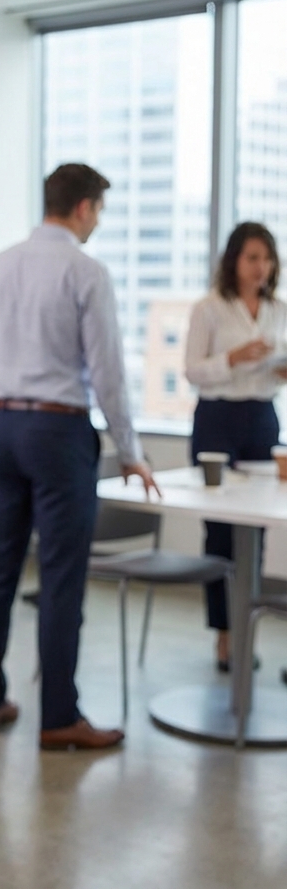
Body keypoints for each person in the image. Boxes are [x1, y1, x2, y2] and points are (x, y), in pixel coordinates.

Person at [0, 163, 158, 751]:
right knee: (62, 577)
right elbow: (108, 373)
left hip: (6, 427)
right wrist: (130, 451)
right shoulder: (86, 271)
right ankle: (58, 717)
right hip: (60, 431)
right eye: (99, 210)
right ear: (84, 208)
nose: (97, 220)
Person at [184, 221, 287, 671]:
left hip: (261, 419)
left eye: (266, 258)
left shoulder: (278, 310)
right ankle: (224, 636)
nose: (260, 267)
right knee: (220, 533)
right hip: (217, 421)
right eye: (251, 258)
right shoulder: (209, 309)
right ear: (234, 261)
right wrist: (233, 358)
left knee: (257, 529)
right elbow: (191, 370)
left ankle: (248, 633)